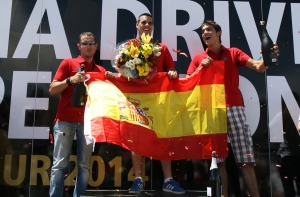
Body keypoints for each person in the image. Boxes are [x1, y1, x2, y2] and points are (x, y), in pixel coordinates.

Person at [186, 20, 279, 197]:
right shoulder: (199, 58)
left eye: (209, 29)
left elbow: (259, 67)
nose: (205, 32)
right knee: (219, 162)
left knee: (246, 160)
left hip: (234, 108)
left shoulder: (233, 52)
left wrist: (268, 56)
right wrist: (200, 69)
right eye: (203, 30)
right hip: (212, 112)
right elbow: (188, 85)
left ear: (218, 33)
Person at [49, 32, 114, 197]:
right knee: (59, 165)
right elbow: (52, 89)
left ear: (96, 46)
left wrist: (111, 78)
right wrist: (70, 80)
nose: (89, 46)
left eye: (91, 43)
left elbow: (110, 95)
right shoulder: (68, 63)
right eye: (85, 43)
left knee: (84, 165)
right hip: (65, 120)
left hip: (88, 123)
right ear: (79, 46)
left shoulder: (100, 70)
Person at [128, 13, 185, 194]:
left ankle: (168, 180)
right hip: (137, 102)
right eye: (143, 22)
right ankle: (138, 180)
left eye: (150, 23)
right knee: (136, 140)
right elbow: (122, 71)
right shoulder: (130, 47)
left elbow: (171, 68)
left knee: (162, 138)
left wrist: (173, 73)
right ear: (137, 25)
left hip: (159, 102)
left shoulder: (162, 48)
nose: (147, 25)